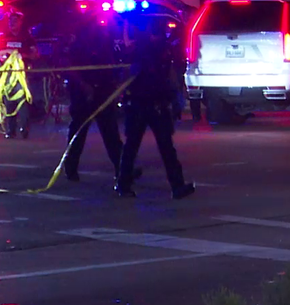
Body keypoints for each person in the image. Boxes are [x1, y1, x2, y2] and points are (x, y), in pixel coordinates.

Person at [116, 15, 196, 200]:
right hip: (144, 104)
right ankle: (124, 183)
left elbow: (166, 77)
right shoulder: (146, 51)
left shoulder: (151, 50)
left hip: (151, 104)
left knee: (159, 147)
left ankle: (175, 185)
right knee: (144, 146)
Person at [64, 17, 131, 183]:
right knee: (78, 133)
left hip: (102, 92)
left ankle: (121, 168)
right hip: (83, 95)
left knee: (111, 134)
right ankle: (70, 169)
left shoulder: (104, 43)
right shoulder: (78, 46)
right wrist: (84, 86)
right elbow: (71, 68)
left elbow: (110, 66)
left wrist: (114, 85)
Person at [0, 12, 35, 139]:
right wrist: (7, 52)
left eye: (15, 20)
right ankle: (10, 130)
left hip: (22, 75)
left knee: (23, 102)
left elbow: (35, 54)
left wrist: (23, 56)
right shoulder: (3, 38)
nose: (12, 23)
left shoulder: (27, 38)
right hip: (8, 75)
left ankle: (24, 129)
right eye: (10, 20)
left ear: (20, 22)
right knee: (8, 102)